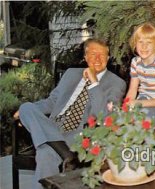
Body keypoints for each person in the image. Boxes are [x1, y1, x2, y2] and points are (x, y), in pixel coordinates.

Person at [13, 38, 126, 189]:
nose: (97, 58)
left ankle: (61, 150)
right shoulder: (71, 73)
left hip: (81, 134)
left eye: (102, 55)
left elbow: (103, 116)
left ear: (108, 58)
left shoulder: (116, 83)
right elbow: (51, 102)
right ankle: (67, 154)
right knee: (26, 107)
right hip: (54, 126)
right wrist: (27, 112)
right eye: (93, 54)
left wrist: (94, 83)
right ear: (85, 57)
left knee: (46, 152)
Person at [125, 22, 155, 119]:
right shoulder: (135, 62)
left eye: (149, 42)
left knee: (139, 125)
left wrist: (140, 103)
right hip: (141, 100)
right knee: (121, 120)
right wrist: (126, 106)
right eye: (140, 42)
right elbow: (133, 89)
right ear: (135, 44)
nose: (144, 46)